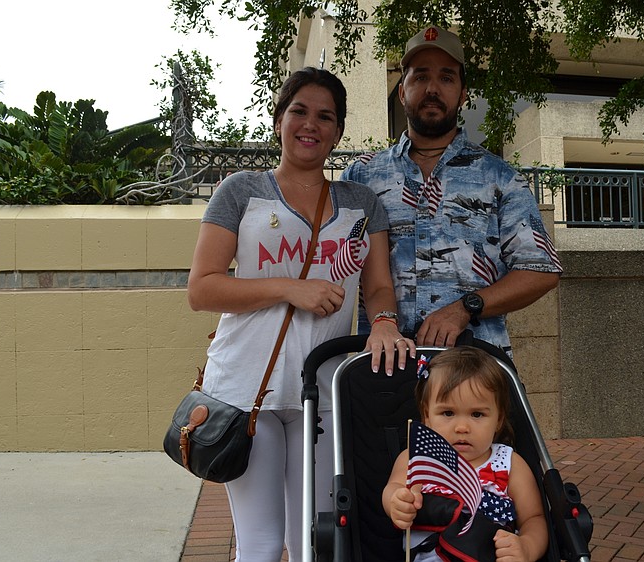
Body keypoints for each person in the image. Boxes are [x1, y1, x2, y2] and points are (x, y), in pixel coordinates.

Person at [187, 67, 415, 562]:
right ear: (278, 120)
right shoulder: (241, 191)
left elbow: (377, 286)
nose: (310, 124)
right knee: (263, 545)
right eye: (299, 111)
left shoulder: (360, 204)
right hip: (248, 393)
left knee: (314, 541)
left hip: (325, 393)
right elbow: (202, 289)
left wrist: (383, 322)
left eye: (325, 116)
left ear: (337, 131)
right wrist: (291, 288)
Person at [341, 26, 563, 356]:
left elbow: (539, 271)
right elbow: (330, 258)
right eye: (420, 77)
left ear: (462, 94)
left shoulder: (500, 177)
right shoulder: (362, 175)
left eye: (446, 78)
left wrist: (465, 307)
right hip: (385, 371)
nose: (432, 89)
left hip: (475, 370)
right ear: (402, 92)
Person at [383, 346, 549, 561]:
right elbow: (393, 488)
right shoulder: (417, 456)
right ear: (426, 415)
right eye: (448, 413)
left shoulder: (509, 464)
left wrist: (526, 547)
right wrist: (396, 502)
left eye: (477, 414)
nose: (462, 427)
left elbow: (534, 518)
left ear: (498, 419)